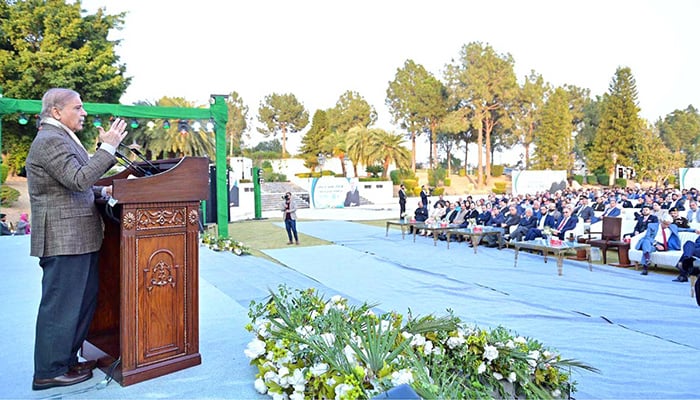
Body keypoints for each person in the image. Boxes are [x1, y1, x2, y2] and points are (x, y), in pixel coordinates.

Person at [26, 88, 128, 390]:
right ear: (57, 112)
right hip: (64, 239)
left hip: (79, 238)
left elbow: (77, 186)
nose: (83, 113)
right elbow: (79, 178)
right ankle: (48, 371)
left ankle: (65, 361)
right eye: (78, 107)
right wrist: (107, 149)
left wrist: (103, 192)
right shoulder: (49, 141)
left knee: (80, 304)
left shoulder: (61, 138)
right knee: (61, 307)